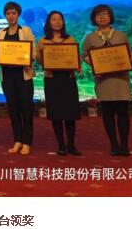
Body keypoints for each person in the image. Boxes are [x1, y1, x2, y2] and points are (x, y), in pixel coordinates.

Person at [82, 4, 132, 156]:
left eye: (105, 14)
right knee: (107, 113)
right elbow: (84, 55)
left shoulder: (121, 35)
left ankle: (124, 145)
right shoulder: (90, 38)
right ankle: (114, 145)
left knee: (123, 112)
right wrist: (94, 65)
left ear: (110, 16)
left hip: (121, 80)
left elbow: (129, 53)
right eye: (98, 15)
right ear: (94, 19)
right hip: (103, 81)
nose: (102, 17)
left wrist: (129, 60)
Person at [37, 11, 81, 156]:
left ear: (63, 22)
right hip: (52, 80)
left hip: (68, 79)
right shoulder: (43, 41)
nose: (57, 22)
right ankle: (61, 145)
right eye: (54, 19)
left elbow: (76, 58)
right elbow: (39, 61)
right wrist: (41, 52)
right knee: (56, 114)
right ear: (49, 23)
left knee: (70, 114)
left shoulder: (70, 39)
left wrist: (78, 65)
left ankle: (71, 145)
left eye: (59, 19)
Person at [0, 2, 36, 155]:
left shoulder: (26, 31)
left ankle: (27, 142)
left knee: (26, 109)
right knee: (13, 109)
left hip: (23, 75)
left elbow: (33, 53)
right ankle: (17, 140)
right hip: (7, 77)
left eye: (13, 13)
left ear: (18, 14)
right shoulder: (0, 33)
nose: (11, 16)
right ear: (5, 16)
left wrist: (27, 59)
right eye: (8, 13)